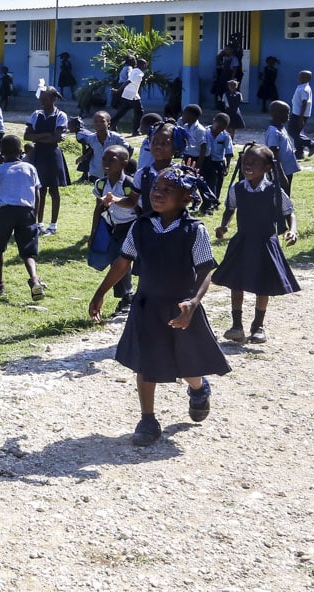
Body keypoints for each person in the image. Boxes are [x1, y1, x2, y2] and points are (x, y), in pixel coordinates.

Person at [89, 166, 229, 447]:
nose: (158, 194)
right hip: (147, 305)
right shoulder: (140, 226)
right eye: (155, 188)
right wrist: (101, 292)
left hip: (181, 308)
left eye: (167, 190)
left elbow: (205, 271)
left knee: (186, 363)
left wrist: (193, 302)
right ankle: (148, 420)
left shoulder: (194, 230)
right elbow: (122, 262)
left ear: (186, 197)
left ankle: (199, 388)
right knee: (146, 362)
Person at [212, 145, 300, 344]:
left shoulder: (273, 191)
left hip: (265, 242)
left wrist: (292, 230)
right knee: (236, 282)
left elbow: (289, 212)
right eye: (245, 163)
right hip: (243, 240)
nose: (248, 166)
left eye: (254, 163)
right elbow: (230, 209)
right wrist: (224, 226)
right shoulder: (237, 189)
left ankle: (258, 326)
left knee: (263, 285)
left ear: (268, 167)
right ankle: (236, 325)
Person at [0, 135, 46, 301]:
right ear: (21, 152)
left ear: (1, 152)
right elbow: (37, 192)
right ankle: (34, 279)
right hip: (27, 212)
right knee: (27, 252)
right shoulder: (29, 168)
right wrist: (35, 213)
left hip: (6, 212)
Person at [87, 145, 138, 313]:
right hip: (113, 225)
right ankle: (125, 297)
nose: (106, 163)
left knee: (122, 260)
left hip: (132, 225)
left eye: (112, 160)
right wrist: (93, 233)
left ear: (124, 163)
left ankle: (130, 297)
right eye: (104, 159)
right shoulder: (101, 184)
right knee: (114, 261)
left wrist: (116, 200)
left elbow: (133, 203)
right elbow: (98, 208)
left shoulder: (129, 183)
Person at [23, 87, 68, 234]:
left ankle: (53, 225)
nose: (42, 101)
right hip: (39, 153)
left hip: (53, 155)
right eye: (41, 98)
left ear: (53, 99)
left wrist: (38, 136)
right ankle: (39, 223)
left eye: (45, 98)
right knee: (40, 190)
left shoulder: (61, 115)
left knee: (54, 190)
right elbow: (26, 136)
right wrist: (47, 134)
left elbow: (56, 138)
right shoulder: (36, 114)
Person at [75, 110, 128, 183]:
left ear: (108, 123)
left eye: (102, 121)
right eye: (96, 121)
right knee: (98, 192)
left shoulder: (117, 138)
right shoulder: (91, 138)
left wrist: (123, 164)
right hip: (96, 172)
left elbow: (129, 149)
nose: (98, 124)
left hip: (113, 171)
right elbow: (92, 149)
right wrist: (83, 157)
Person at [200, 113, 235, 212]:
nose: (219, 130)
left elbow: (229, 152)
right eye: (218, 127)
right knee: (207, 183)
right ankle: (208, 203)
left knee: (217, 184)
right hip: (207, 161)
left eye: (222, 128)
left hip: (218, 162)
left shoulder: (225, 136)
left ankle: (214, 202)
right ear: (214, 121)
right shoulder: (205, 132)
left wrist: (227, 166)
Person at [263, 101, 300, 194]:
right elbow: (274, 153)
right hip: (280, 172)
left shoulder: (281, 128)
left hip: (287, 170)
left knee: (286, 195)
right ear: (275, 113)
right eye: (286, 112)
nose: (289, 115)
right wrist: (280, 173)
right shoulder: (273, 132)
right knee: (280, 196)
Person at [288, 69, 314, 159]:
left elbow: (304, 102)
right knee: (297, 133)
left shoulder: (304, 89)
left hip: (299, 115)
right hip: (297, 113)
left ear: (307, 78)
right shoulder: (302, 87)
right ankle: (299, 152)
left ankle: (311, 144)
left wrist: (301, 117)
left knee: (292, 132)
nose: (299, 77)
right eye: (299, 76)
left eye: (301, 76)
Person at [113, 57, 145, 134]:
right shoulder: (136, 72)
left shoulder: (133, 70)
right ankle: (135, 130)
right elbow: (128, 81)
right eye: (145, 64)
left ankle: (110, 123)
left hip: (127, 93)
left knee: (123, 111)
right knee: (139, 112)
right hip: (132, 94)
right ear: (143, 65)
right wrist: (118, 90)